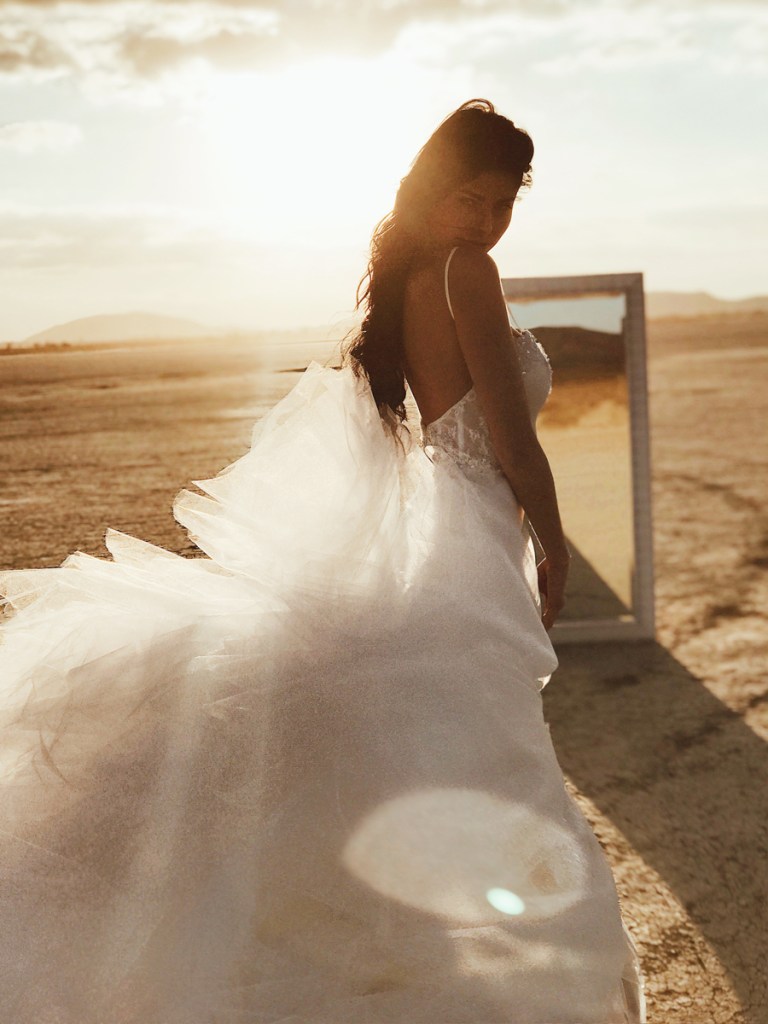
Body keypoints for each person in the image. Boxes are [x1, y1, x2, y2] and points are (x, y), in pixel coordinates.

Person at [0, 100, 646, 1023]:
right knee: (476, 750)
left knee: (424, 740)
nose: (489, 223)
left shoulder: (412, 274)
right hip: (471, 533)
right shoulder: (470, 271)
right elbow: (510, 439)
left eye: (505, 205)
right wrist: (552, 540)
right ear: (434, 193)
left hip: (446, 525)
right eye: (472, 199)